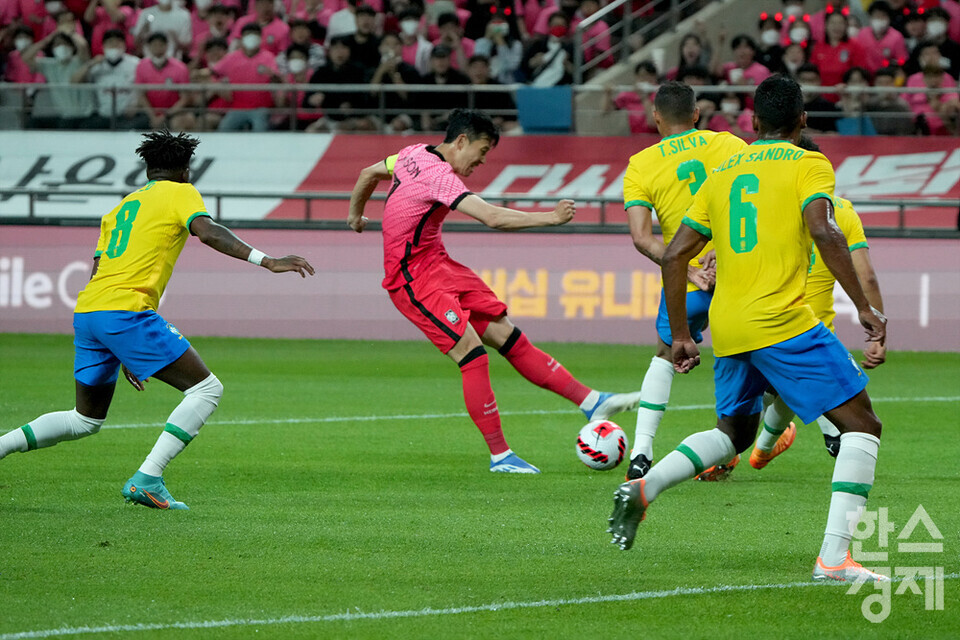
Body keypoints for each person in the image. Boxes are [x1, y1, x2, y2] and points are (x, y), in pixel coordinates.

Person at [608, 75, 889, 586]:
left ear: (753, 123)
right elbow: (824, 229)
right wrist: (864, 307)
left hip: (730, 324)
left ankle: (645, 487)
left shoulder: (725, 171)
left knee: (732, 434)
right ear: (803, 122)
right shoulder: (810, 163)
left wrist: (680, 336)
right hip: (782, 319)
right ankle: (833, 560)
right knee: (863, 426)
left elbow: (673, 255)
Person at [0, 131, 315, 510]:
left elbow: (99, 268)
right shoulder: (181, 192)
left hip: (90, 310)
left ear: (149, 169)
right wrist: (268, 260)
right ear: (184, 170)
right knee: (206, 390)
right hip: (125, 311)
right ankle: (148, 478)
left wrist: (123, 349)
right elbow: (208, 232)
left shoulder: (120, 208)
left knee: (85, 419)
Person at [347, 108, 642, 473]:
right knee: (472, 354)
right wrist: (550, 218)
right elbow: (492, 217)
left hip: (439, 265)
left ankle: (591, 401)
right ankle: (501, 457)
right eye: (482, 151)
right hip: (411, 279)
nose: (482, 161)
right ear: (461, 141)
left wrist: (354, 214)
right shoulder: (440, 177)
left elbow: (368, 173)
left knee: (508, 336)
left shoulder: (411, 153)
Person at [620, 81, 748, 481]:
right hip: (738, 272)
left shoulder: (640, 164)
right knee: (760, 355)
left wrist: (686, 265)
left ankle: (641, 453)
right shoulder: (728, 144)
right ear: (696, 114)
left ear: (655, 117)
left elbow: (642, 238)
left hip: (689, 281)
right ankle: (828, 434)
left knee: (664, 353)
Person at [749, 138, 885, 471]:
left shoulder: (762, 207)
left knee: (760, 398)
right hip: (812, 328)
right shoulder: (842, 211)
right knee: (798, 388)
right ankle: (815, 436)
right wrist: (878, 331)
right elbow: (866, 276)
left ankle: (734, 454)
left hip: (758, 319)